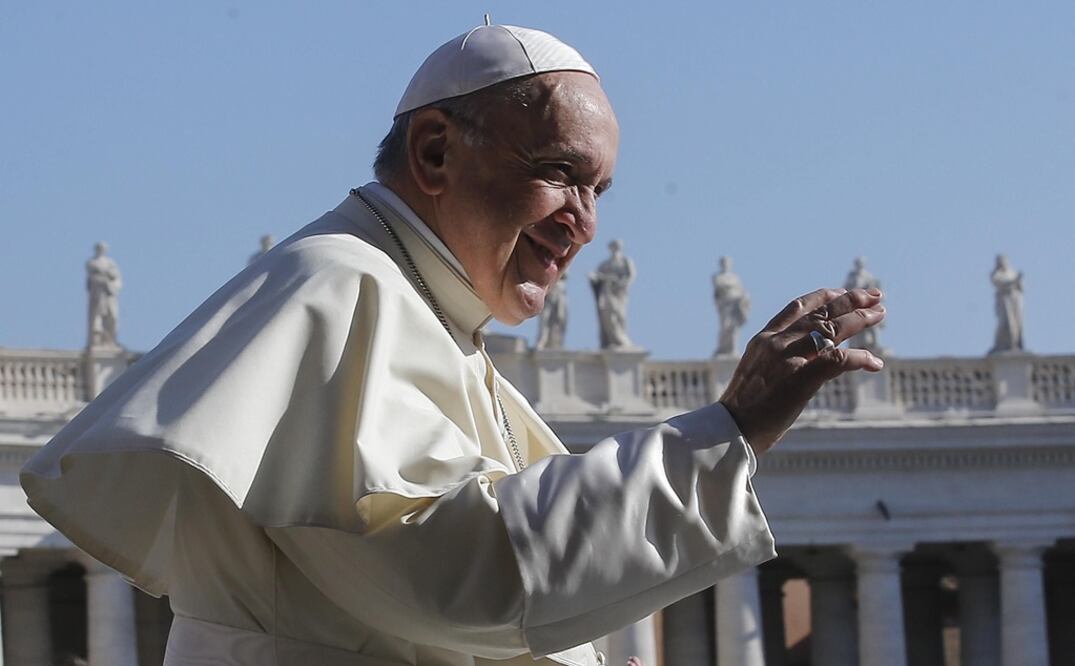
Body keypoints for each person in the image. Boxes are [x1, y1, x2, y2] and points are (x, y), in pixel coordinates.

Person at [21, 22, 886, 666]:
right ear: (435, 149)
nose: (584, 224)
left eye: (600, 191)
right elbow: (463, 575)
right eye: (560, 173)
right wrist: (729, 428)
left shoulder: (427, 319)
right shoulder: (338, 291)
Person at [713, 255, 750, 356]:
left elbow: (741, 290)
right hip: (725, 304)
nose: (726, 265)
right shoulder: (718, 277)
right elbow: (720, 288)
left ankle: (733, 348)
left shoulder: (735, 278)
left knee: (734, 327)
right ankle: (724, 348)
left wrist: (744, 297)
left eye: (728, 263)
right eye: (724, 263)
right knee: (726, 326)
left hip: (736, 303)